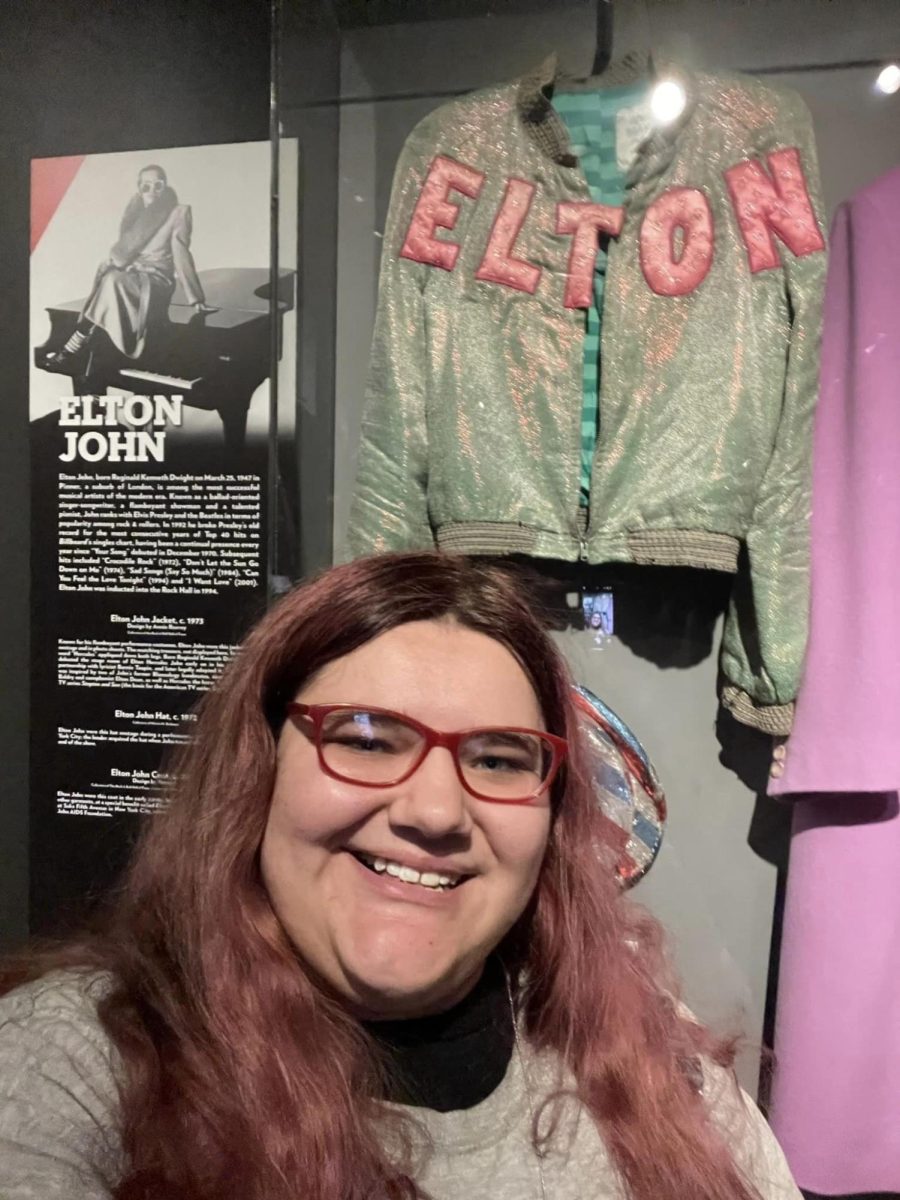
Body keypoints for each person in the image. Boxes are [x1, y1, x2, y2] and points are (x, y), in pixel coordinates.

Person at [0, 553, 801, 1200]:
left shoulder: (637, 1042)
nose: (437, 812)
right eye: (367, 739)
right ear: (257, 768)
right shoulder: (80, 1062)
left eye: (496, 758)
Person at [46, 163, 214, 368]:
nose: (152, 191)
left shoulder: (179, 212)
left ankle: (74, 344)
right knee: (110, 277)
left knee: (112, 280)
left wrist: (196, 298)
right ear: (139, 188)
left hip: (157, 280)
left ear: (165, 186)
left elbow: (181, 254)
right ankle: (87, 342)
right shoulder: (134, 210)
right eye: (146, 186)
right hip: (130, 277)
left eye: (158, 185)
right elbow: (125, 252)